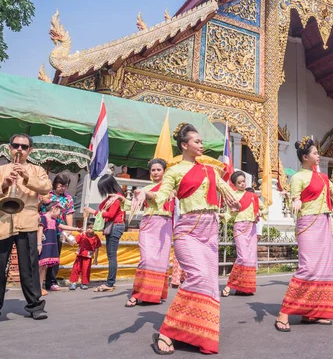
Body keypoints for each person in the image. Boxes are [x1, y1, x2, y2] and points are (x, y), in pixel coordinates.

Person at [149, 123, 239, 355]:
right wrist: (144, 194)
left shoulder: (210, 170)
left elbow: (226, 190)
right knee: (198, 276)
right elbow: (160, 197)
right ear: (184, 145)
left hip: (210, 231)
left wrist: (233, 202)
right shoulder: (174, 171)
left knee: (209, 283)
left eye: (201, 141)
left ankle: (195, 331)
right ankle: (167, 331)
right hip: (187, 230)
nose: (201, 145)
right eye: (197, 141)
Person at [275, 137, 333, 331]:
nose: (318, 156)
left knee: (324, 268)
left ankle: (312, 312)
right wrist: (295, 202)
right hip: (308, 224)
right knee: (309, 267)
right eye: (315, 153)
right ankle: (283, 313)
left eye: (318, 153)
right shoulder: (297, 178)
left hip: (324, 223)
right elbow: (295, 198)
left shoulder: (324, 178)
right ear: (305, 157)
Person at [0, 134, 50, 327]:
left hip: (26, 223)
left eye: (24, 147)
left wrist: (27, 177)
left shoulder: (37, 170)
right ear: (9, 148)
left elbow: (46, 188)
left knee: (29, 267)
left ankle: (35, 306)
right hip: (0, 223)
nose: (20, 149)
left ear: (30, 150)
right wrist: (4, 184)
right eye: (16, 145)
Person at [124, 158, 174, 307]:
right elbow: (133, 206)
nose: (156, 172)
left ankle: (153, 294)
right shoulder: (145, 188)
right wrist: (121, 198)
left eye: (159, 169)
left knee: (160, 261)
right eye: (153, 170)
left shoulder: (169, 189)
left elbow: (160, 198)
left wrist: (147, 195)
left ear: (164, 171)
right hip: (148, 224)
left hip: (164, 225)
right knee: (146, 259)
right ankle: (137, 294)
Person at [222, 171, 267, 297]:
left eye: (243, 181)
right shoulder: (233, 196)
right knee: (243, 257)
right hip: (240, 227)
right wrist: (221, 216)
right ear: (234, 184)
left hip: (252, 227)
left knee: (251, 258)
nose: (242, 184)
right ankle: (229, 285)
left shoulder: (252, 196)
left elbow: (265, 209)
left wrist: (260, 213)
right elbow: (229, 213)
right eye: (239, 182)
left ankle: (243, 288)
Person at [83, 174, 126, 292]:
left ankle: (110, 283)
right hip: (112, 226)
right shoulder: (112, 198)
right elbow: (104, 208)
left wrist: (94, 212)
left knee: (112, 256)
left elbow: (110, 215)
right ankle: (110, 281)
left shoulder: (117, 198)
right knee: (111, 256)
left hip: (115, 226)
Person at [40, 174, 80, 291]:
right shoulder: (47, 195)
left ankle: (51, 280)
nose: (63, 188)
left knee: (54, 256)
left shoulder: (68, 199)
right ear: (55, 184)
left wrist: (68, 230)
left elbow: (69, 214)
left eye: (65, 186)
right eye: (60, 185)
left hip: (58, 230)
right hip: (43, 228)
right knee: (41, 255)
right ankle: (38, 280)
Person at [37, 202, 63, 296]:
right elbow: (40, 231)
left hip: (50, 246)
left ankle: (40, 287)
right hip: (44, 245)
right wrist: (39, 244)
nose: (59, 214)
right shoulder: (43, 218)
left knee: (44, 267)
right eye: (59, 212)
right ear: (53, 209)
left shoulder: (54, 220)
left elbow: (61, 226)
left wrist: (76, 229)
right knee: (39, 266)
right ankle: (35, 287)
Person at [69, 220, 101, 290]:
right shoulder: (82, 235)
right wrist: (69, 238)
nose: (89, 229)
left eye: (91, 228)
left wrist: (95, 258)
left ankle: (84, 283)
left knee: (86, 270)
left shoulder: (96, 237)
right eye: (88, 228)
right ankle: (73, 283)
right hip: (80, 255)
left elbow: (96, 248)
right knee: (76, 269)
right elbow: (74, 241)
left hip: (88, 256)